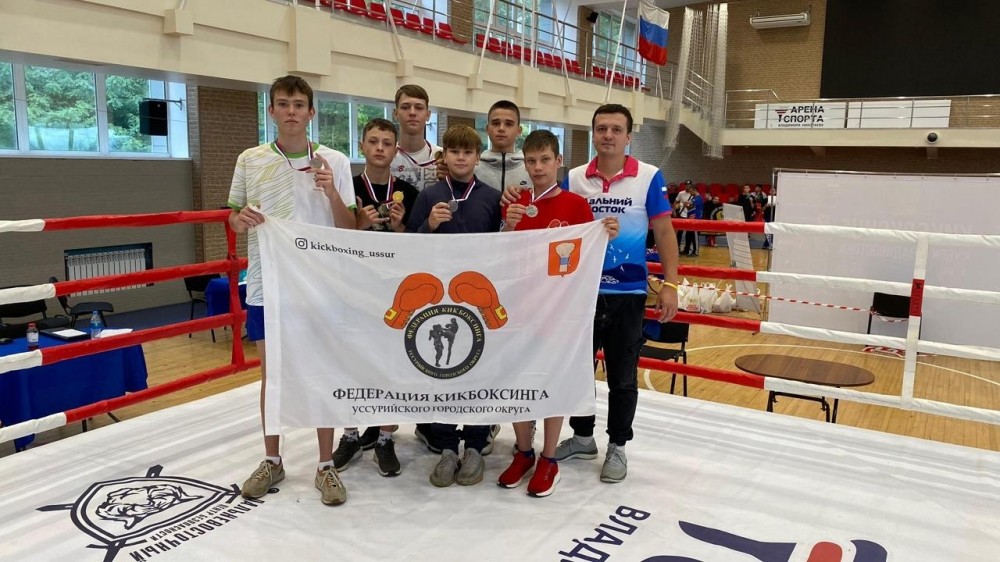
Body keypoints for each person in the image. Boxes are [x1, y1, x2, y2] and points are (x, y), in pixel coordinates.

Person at [505, 104, 679, 484]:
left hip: (629, 291)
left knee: (622, 375)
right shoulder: (574, 177)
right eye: (602, 128)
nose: (608, 135)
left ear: (629, 136)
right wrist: (514, 202)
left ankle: (617, 444)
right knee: (576, 369)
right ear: (594, 133)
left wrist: (670, 283)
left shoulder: (649, 176)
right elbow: (552, 213)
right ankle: (583, 436)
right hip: (576, 293)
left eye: (616, 129)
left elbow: (664, 231)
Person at [229, 75, 356, 506]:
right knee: (272, 375)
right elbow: (233, 217)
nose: (291, 111)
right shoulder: (250, 159)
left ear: (311, 112)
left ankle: (325, 464)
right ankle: (272, 459)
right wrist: (240, 219)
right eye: (283, 104)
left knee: (323, 372)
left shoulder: (335, 161)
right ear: (271, 111)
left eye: (299, 104)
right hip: (267, 283)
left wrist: (332, 192)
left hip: (321, 285)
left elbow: (349, 227)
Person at [495, 129, 619, 497]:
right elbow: (498, 256)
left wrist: (605, 234)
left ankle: (549, 458)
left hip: (557, 311)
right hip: (518, 308)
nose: (538, 167)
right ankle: (523, 451)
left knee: (551, 382)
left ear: (559, 161)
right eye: (531, 161)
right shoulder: (514, 203)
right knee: (516, 380)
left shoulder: (576, 205)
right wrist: (508, 225)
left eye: (545, 160)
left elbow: (586, 254)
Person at [407, 124, 503, 487]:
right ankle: (447, 446)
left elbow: (505, 249)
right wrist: (428, 226)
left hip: (478, 299)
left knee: (480, 371)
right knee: (443, 370)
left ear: (478, 157)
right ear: (444, 156)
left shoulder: (492, 198)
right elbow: (408, 248)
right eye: (454, 151)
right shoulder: (429, 195)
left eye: (467, 152)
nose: (461, 158)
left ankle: (476, 445)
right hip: (440, 302)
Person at [331, 117, 420, 478]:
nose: (380, 148)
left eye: (386, 142)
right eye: (373, 141)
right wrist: (360, 225)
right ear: (362, 146)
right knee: (350, 361)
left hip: (393, 289)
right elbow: (333, 238)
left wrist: (400, 228)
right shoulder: (348, 188)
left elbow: (420, 246)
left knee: (390, 364)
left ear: (396, 149)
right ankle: (351, 434)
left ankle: (384, 437)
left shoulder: (409, 192)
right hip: (353, 287)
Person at [391, 84, 441, 192]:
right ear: (396, 113)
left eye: (419, 108)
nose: (412, 112)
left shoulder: (442, 157)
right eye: (405, 107)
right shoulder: (386, 156)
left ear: (428, 115)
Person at [475, 100, 531, 193]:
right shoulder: (473, 169)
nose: (501, 128)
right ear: (487, 129)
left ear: (519, 131)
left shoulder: (530, 169)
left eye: (508, 124)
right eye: (496, 123)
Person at [681, 184, 703, 257]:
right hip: (690, 219)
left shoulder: (698, 198)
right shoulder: (694, 198)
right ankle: (686, 250)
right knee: (688, 235)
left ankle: (695, 251)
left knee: (694, 236)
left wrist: (683, 204)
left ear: (694, 190)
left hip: (695, 220)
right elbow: (689, 207)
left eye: (690, 191)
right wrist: (686, 205)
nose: (690, 193)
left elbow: (687, 203)